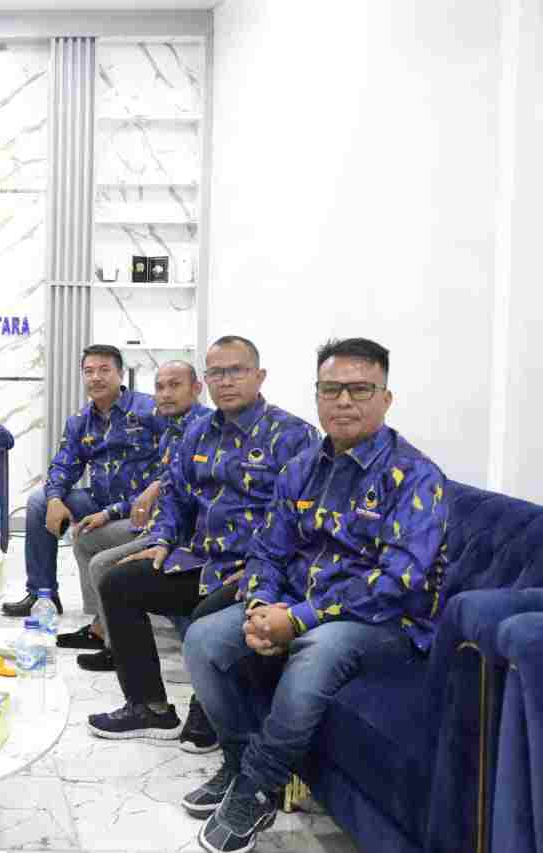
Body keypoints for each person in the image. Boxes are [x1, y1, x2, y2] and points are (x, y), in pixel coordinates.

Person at [183, 338, 447, 853]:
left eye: (360, 389)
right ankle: (237, 763)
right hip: (297, 606)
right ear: (318, 395)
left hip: (386, 624)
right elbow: (267, 551)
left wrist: (299, 619)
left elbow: (398, 581)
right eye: (331, 389)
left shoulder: (416, 477)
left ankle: (258, 785)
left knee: (318, 648)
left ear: (386, 398)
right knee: (204, 639)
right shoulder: (301, 468)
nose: (344, 401)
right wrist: (261, 605)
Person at [86, 336, 319, 750]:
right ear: (206, 380)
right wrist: (162, 539)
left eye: (236, 371)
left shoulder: (293, 436)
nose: (225, 381)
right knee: (118, 582)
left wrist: (266, 567)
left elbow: (305, 518)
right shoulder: (198, 431)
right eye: (217, 373)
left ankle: (208, 710)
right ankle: (149, 707)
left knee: (207, 615)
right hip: (202, 560)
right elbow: (175, 495)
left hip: (255, 571)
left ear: (259, 376)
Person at [63, 360, 210, 661]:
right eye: (160, 387)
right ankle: (102, 627)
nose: (165, 394)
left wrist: (155, 496)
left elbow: (176, 494)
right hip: (157, 523)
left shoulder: (205, 430)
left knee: (102, 565)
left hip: (184, 535)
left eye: (175, 385)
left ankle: (119, 652)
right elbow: (154, 490)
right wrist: (109, 513)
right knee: (85, 536)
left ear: (196, 388)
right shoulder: (170, 431)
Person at [4, 344, 164, 617]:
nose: (96, 377)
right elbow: (63, 464)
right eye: (89, 371)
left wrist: (115, 510)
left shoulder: (150, 409)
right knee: (39, 502)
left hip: (142, 504)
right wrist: (55, 499)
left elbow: (172, 466)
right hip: (99, 499)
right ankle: (42, 594)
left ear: (120, 374)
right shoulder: (80, 421)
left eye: (104, 370)